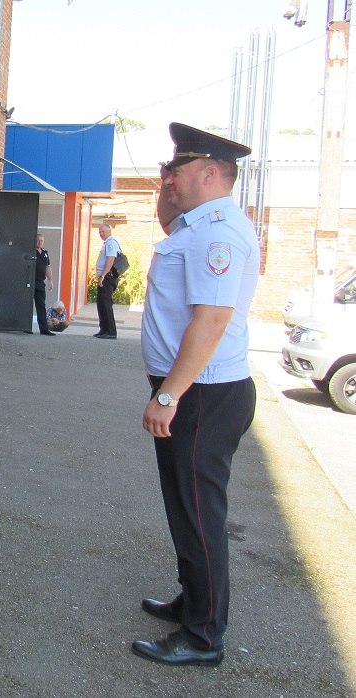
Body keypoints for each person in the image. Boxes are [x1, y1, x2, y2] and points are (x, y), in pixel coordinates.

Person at [131, 123, 259, 667]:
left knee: (200, 512)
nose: (168, 178)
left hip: (202, 394)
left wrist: (169, 395)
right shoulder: (197, 225)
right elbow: (169, 226)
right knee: (185, 508)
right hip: (192, 391)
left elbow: (211, 319)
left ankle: (204, 636)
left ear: (210, 173)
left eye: (176, 172)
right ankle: (193, 601)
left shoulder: (217, 233)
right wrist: (167, 195)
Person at [94, 223, 120, 338]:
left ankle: (110, 331)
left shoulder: (111, 243)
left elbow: (110, 259)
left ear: (109, 231)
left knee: (106, 303)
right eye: (99, 231)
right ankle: (103, 329)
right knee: (101, 303)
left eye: (103, 231)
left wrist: (103, 275)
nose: (101, 234)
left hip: (108, 277)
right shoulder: (106, 243)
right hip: (104, 277)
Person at [34, 234, 55, 336]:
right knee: (27, 305)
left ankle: (44, 329)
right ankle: (25, 327)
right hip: (31, 282)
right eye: (38, 240)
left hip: (40, 283)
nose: (40, 242)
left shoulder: (45, 253)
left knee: (41, 306)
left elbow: (48, 267)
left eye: (42, 241)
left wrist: (50, 280)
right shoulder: (31, 252)